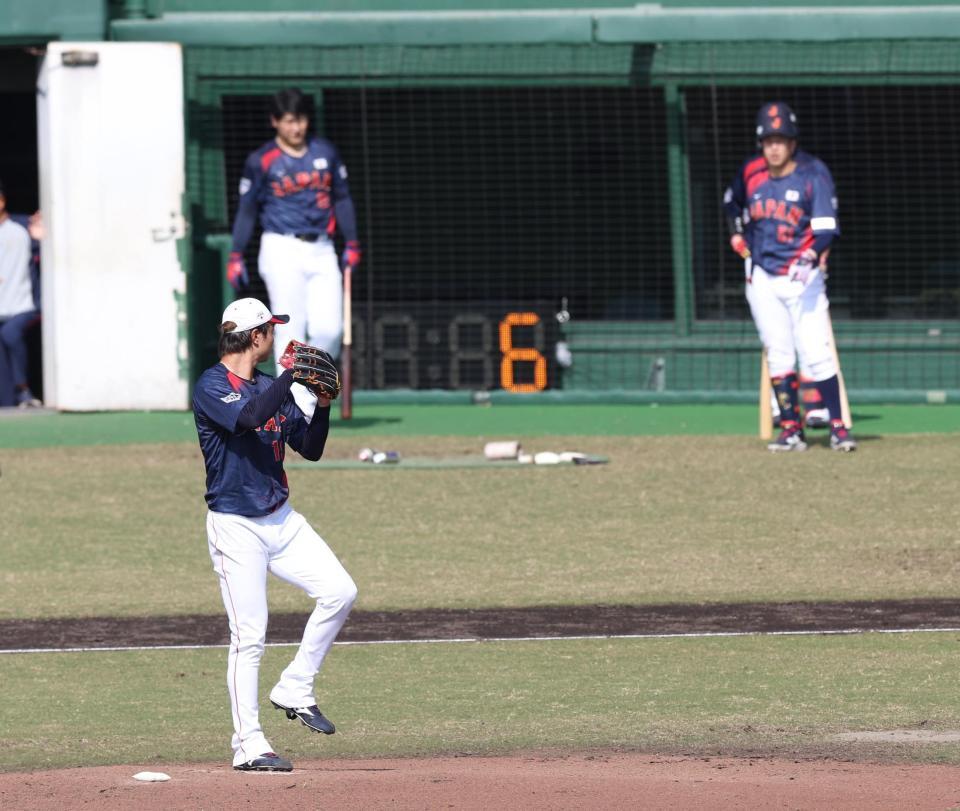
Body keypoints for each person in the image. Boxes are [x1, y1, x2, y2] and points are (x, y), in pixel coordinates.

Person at [192, 297, 358, 772]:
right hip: (235, 527)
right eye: (271, 328)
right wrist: (290, 377)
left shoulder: (270, 386)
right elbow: (246, 419)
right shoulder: (211, 386)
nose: (275, 335)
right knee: (249, 636)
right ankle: (248, 745)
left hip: (281, 520)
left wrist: (322, 404)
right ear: (255, 336)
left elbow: (310, 447)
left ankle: (295, 686)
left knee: (340, 591)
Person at [723, 102, 857, 452]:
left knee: (816, 351)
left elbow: (826, 228)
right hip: (762, 275)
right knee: (779, 352)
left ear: (793, 143)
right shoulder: (751, 172)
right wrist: (737, 236)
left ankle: (838, 428)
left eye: (781, 141)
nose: (774, 148)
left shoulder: (813, 173)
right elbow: (731, 204)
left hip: (802, 276)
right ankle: (791, 430)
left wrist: (811, 255)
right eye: (768, 141)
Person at [227, 87, 361, 416]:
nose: (296, 127)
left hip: (322, 247)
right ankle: (297, 412)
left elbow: (342, 198)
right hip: (281, 247)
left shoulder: (325, 152)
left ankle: (302, 393)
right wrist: (236, 253)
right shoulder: (261, 160)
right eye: (289, 121)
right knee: (290, 330)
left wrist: (352, 241)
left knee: (330, 329)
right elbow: (247, 210)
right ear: (275, 122)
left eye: (300, 120)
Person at [0, 181, 42, 408]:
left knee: (10, 334)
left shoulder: (22, 228)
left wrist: (42, 235)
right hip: (2, 307)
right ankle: (9, 403)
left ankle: (24, 390)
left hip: (24, 305)